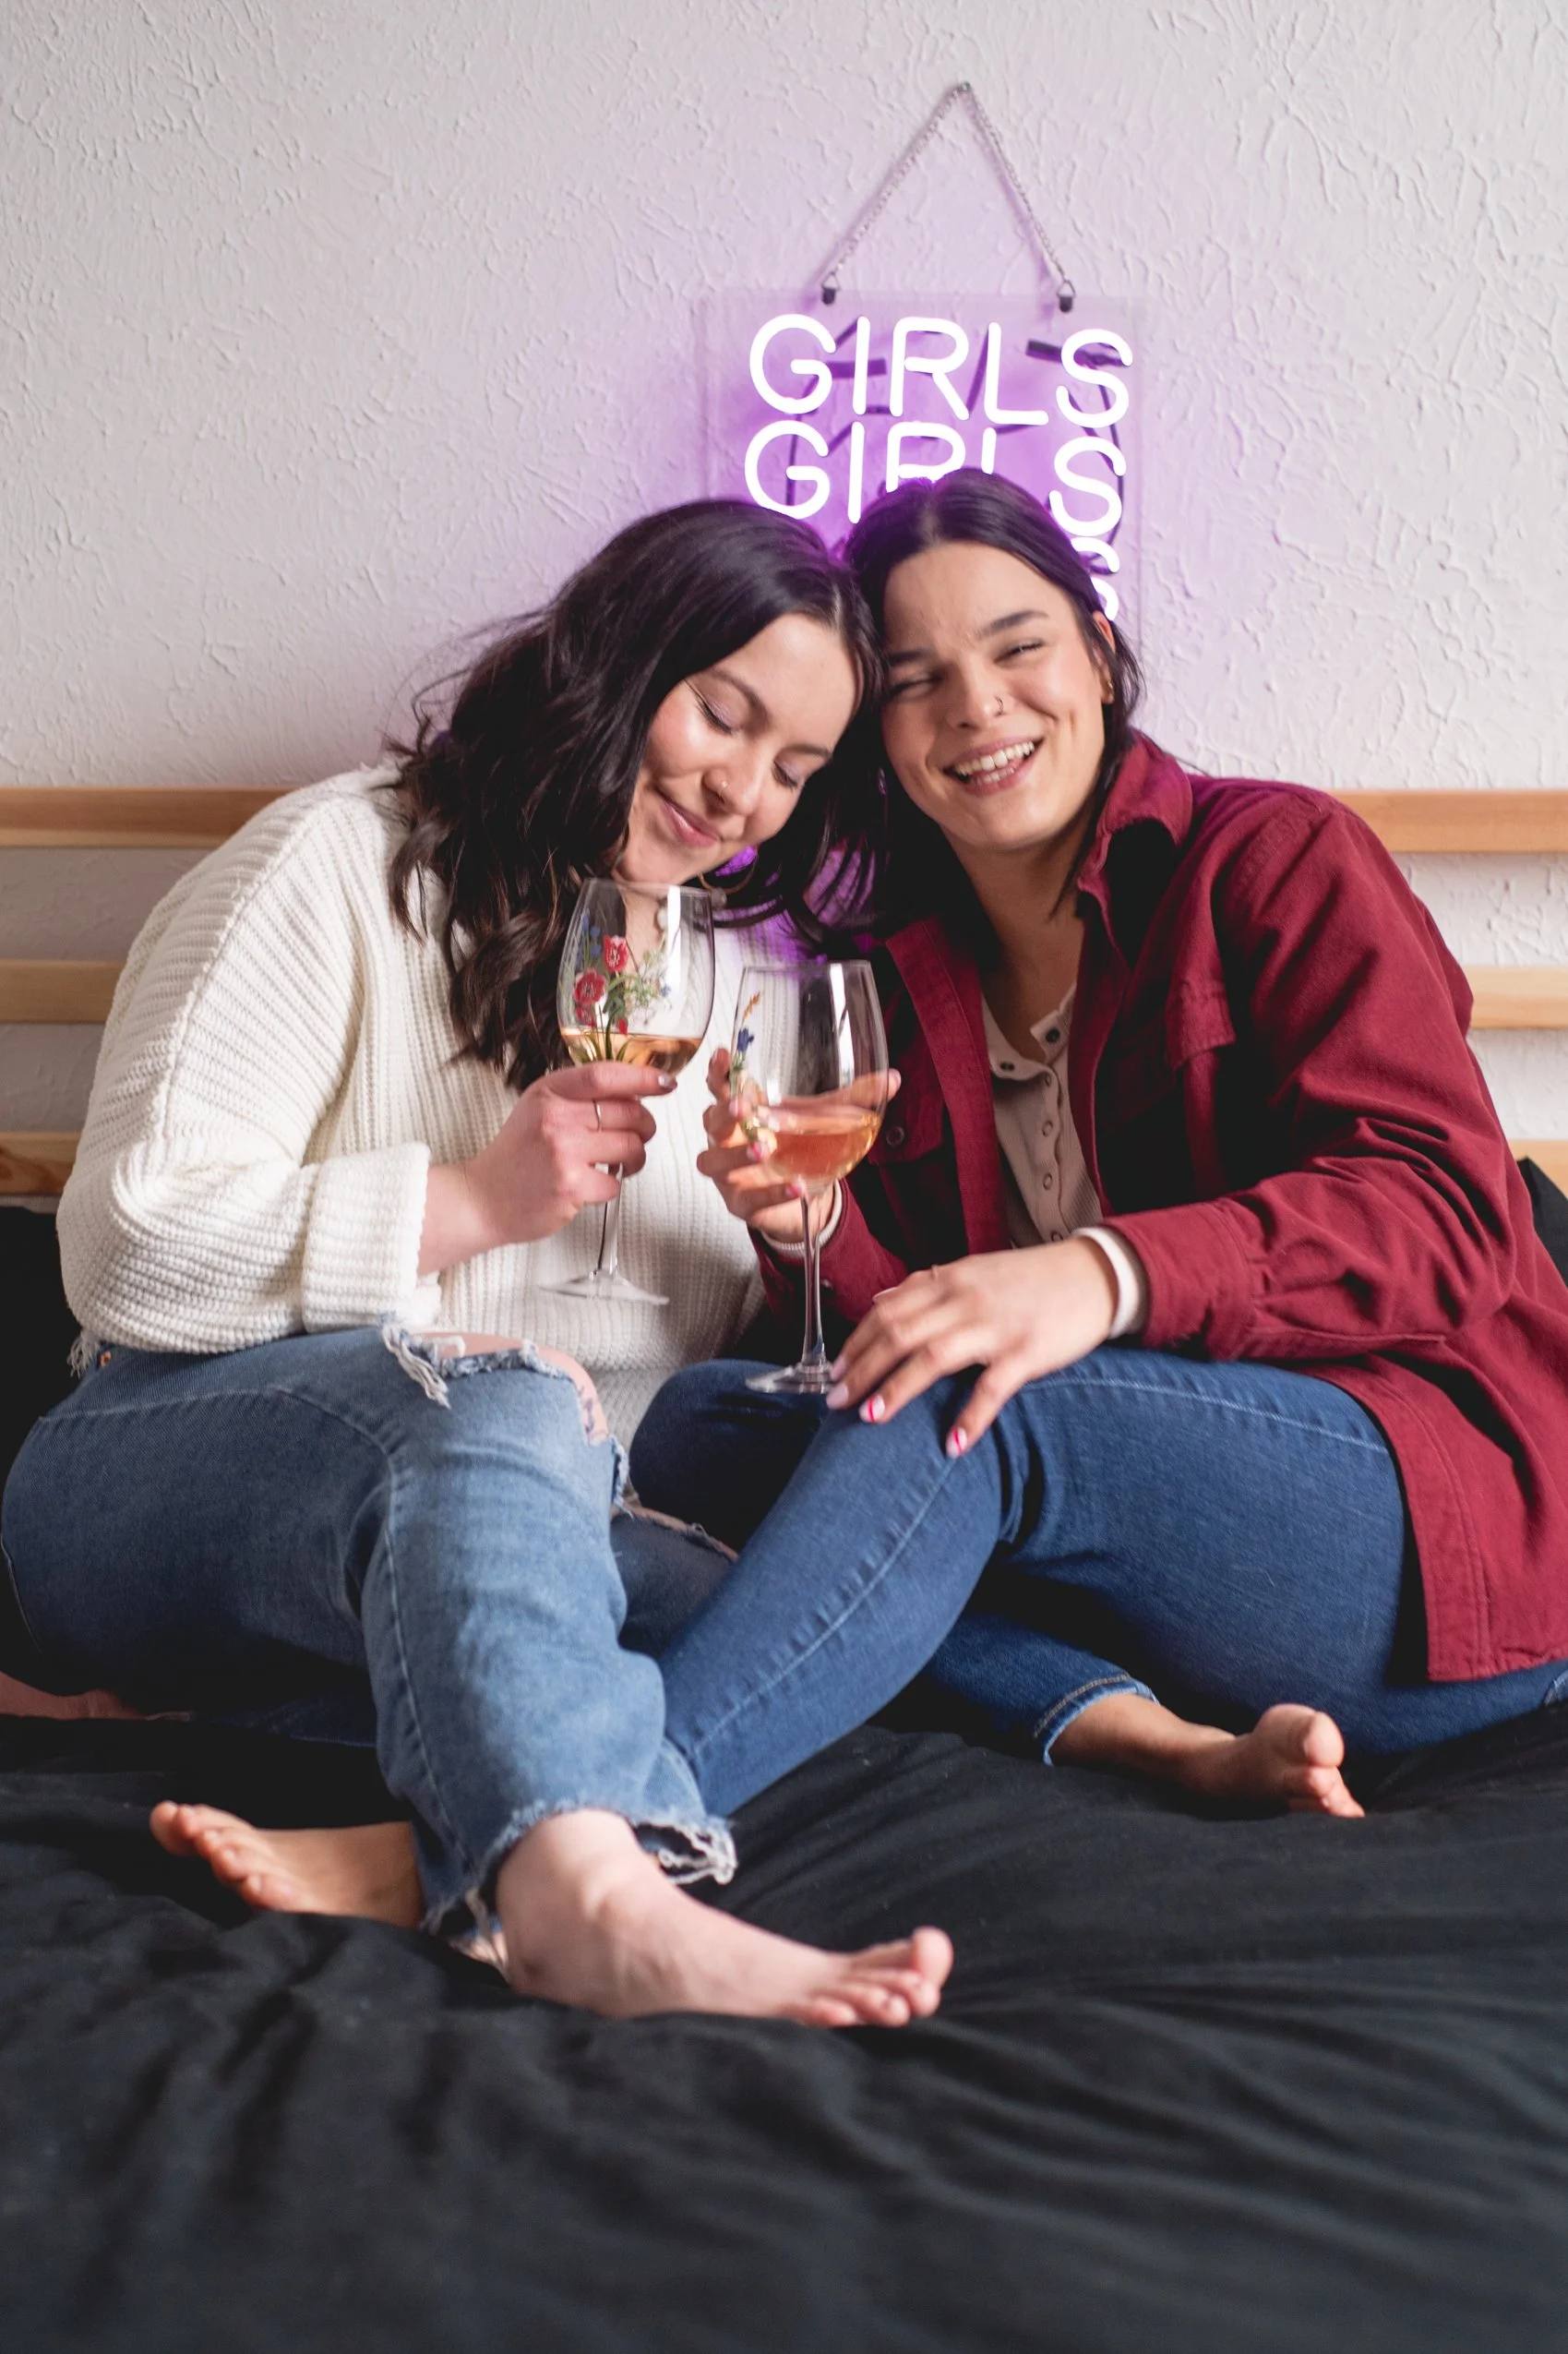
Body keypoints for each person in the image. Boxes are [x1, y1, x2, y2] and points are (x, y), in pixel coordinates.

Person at [0, 500, 952, 2027]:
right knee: (498, 1396)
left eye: (793, 767)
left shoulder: (731, 972)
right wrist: (461, 1204)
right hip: (155, 1479)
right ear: (616, 661)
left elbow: (691, 1389)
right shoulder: (331, 861)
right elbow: (124, 1249)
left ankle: (322, 1765)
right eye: (723, 715)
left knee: (785, 1611)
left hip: (514, 1536)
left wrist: (787, 1242)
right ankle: (583, 1897)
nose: (743, 793)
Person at [629, 468, 1568, 1815]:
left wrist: (1101, 1275)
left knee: (970, 1398)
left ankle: (593, 1820)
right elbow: (913, 1344)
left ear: (1103, 659)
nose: (976, 707)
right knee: (703, 1425)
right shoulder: (899, 975)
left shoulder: (1275, 858)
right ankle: (1133, 1730)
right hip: (1143, 1545)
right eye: (917, 681)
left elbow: (1446, 1212)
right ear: (880, 738)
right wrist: (815, 1231)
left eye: (1018, 648)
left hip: (1429, 1526)